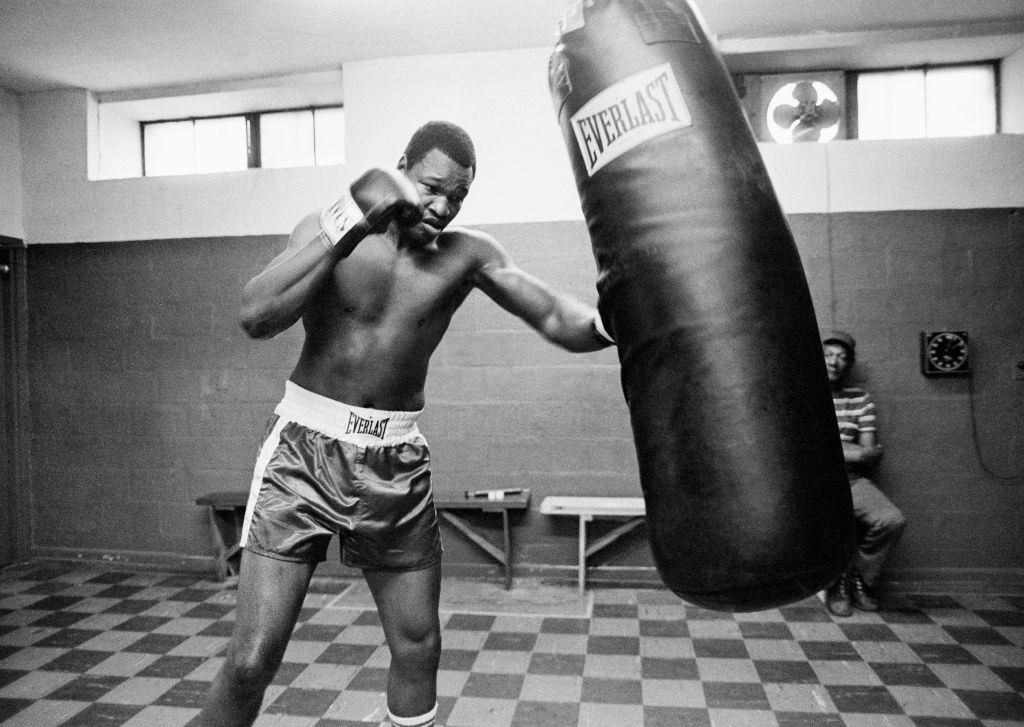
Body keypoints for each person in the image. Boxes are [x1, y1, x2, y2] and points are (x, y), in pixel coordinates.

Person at [195, 120, 614, 727]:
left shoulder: (467, 254)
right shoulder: (326, 227)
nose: (443, 206)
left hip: (397, 461)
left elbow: (552, 313)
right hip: (304, 454)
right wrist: (348, 225)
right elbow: (256, 315)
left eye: (459, 197)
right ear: (400, 170)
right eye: (431, 187)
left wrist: (612, 322)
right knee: (252, 660)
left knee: (419, 647)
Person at [822, 330, 906, 618]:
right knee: (833, 523)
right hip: (814, 483)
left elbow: (868, 455)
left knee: (891, 519)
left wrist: (832, 445)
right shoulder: (801, 394)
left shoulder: (859, 398)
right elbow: (802, 447)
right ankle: (835, 585)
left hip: (852, 479)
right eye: (829, 355)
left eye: (842, 357)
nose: (835, 362)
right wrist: (851, 448)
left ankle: (861, 579)